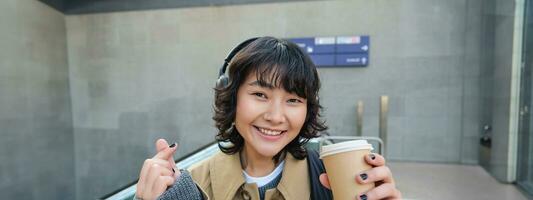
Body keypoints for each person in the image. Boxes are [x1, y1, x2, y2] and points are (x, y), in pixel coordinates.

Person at [135, 37, 402, 200]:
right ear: (232, 96)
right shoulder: (190, 186)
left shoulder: (333, 180)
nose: (276, 117)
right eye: (260, 94)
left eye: (294, 100)